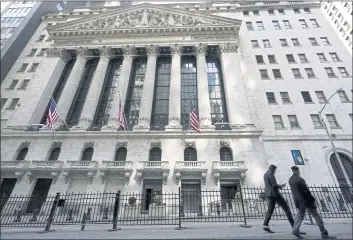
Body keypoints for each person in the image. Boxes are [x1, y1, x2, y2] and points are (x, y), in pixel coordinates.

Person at [289, 166, 337, 239]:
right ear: (297, 170)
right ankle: (324, 233)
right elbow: (306, 192)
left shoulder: (290, 179)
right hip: (306, 201)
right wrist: (312, 200)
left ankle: (295, 230)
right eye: (299, 170)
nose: (299, 172)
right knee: (317, 216)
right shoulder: (300, 179)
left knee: (299, 216)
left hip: (299, 201)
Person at [263, 164, 304, 234]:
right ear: (272, 169)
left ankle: (265, 225)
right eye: (275, 170)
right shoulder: (271, 174)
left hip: (269, 194)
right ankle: (295, 228)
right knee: (287, 208)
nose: (275, 171)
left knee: (270, 210)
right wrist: (281, 186)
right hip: (275, 194)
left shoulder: (265, 174)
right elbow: (274, 185)